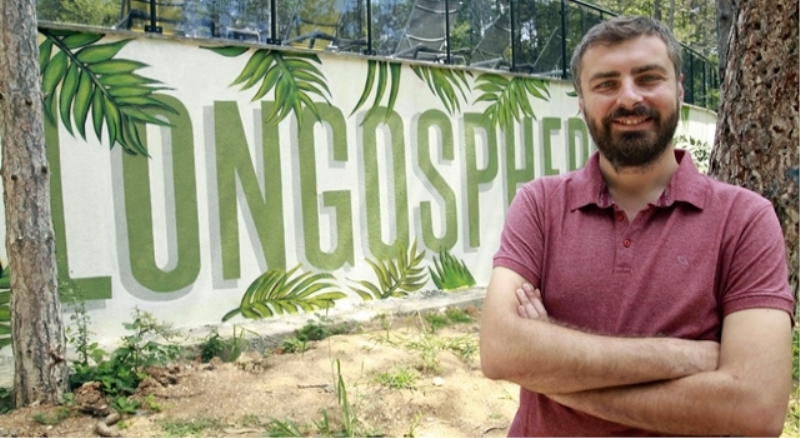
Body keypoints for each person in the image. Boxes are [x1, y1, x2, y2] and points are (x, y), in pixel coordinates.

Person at [479, 15, 795, 437]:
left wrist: (553, 376)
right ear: (581, 102)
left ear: (679, 89)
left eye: (648, 78)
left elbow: (755, 409)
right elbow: (500, 350)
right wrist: (681, 356)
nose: (629, 97)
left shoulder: (744, 219)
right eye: (606, 84)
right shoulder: (540, 204)